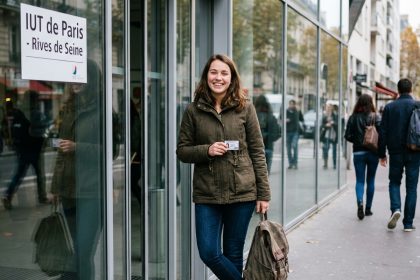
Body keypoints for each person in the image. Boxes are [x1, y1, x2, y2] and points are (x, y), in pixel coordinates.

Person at [176, 54, 270, 280]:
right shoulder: (193, 110)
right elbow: (182, 151)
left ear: (232, 78)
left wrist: (263, 193)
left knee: (234, 253)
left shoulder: (245, 108)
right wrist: (206, 150)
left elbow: (257, 151)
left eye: (224, 73)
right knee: (209, 252)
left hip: (242, 192)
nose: (218, 77)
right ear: (206, 76)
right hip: (207, 193)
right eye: (214, 72)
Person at [51, 59, 103, 279]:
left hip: (90, 191)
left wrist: (77, 147)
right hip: (69, 190)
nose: (75, 82)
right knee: (75, 252)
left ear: (90, 80)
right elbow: (61, 154)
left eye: (79, 77)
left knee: (83, 251)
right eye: (72, 77)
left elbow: (111, 152)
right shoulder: (69, 108)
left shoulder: (102, 110)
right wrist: (55, 187)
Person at [378, 78, 420, 232]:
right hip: (415, 151)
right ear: (410, 90)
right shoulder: (418, 105)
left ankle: (396, 208)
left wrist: (382, 154)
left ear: (398, 90)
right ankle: (408, 224)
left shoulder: (390, 107)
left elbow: (383, 132)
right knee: (412, 188)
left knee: (394, 182)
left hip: (395, 152)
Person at [2, 91, 48, 210]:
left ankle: (8, 195)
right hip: (35, 149)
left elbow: (14, 130)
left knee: (19, 174)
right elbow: (42, 130)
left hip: (22, 149)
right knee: (39, 175)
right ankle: (42, 197)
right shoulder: (35, 114)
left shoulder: (18, 113)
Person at [344, 94, 380, 220]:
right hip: (373, 153)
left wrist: (358, 140)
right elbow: (382, 135)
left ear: (358, 103)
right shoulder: (376, 117)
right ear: (371, 103)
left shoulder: (353, 117)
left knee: (359, 181)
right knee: (371, 180)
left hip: (358, 152)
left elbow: (347, 136)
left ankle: (360, 202)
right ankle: (368, 209)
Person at [254, 94, 281, 173]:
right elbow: (278, 132)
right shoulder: (271, 116)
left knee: (256, 171)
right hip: (268, 146)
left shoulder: (253, 115)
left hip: (255, 147)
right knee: (266, 172)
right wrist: (270, 137)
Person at [286, 99, 304, 169]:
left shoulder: (297, 111)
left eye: (292, 104)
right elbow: (281, 118)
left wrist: (299, 111)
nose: (291, 105)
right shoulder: (286, 112)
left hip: (295, 132)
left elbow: (302, 119)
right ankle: (290, 163)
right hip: (288, 132)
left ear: (294, 105)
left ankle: (295, 163)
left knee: (294, 146)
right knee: (288, 149)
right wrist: (285, 120)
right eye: (290, 104)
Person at [320, 104, 338, 169]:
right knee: (325, 149)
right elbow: (321, 126)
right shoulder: (324, 116)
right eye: (327, 108)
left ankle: (334, 164)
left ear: (332, 109)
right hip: (326, 135)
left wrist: (333, 123)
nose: (328, 109)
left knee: (334, 151)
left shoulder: (335, 116)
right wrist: (326, 125)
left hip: (333, 135)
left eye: (329, 108)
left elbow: (337, 124)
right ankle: (325, 164)